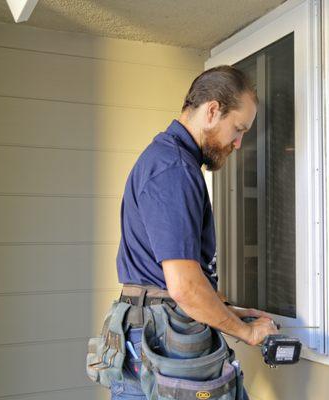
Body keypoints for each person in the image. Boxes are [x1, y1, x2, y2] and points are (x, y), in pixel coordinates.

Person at [110, 65, 279, 399]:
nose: (239, 143)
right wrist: (246, 332)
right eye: (238, 129)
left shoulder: (167, 160)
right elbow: (184, 287)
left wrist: (225, 309)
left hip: (149, 332)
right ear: (213, 110)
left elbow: (165, 280)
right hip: (163, 341)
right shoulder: (174, 170)